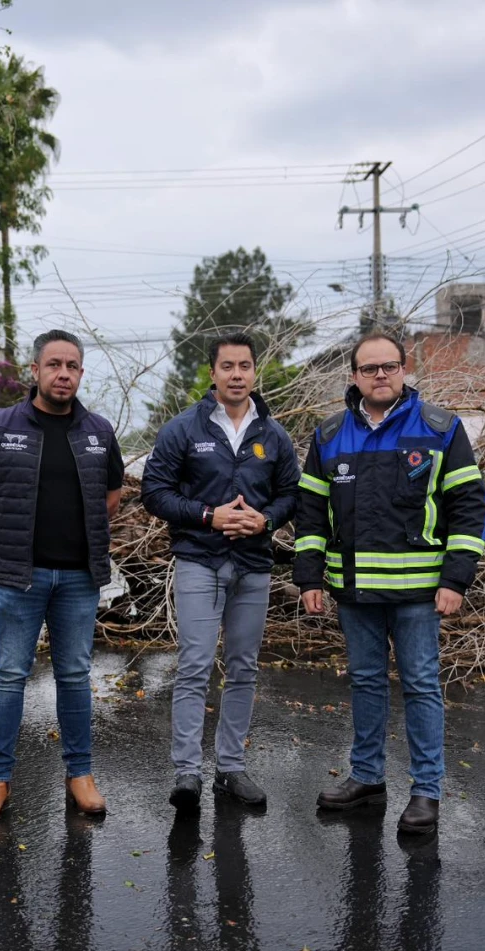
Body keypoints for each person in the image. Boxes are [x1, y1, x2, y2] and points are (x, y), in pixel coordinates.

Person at [294, 332, 485, 834]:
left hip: (420, 592)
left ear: (404, 370)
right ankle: (367, 778)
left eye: (390, 366)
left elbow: (469, 508)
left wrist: (457, 578)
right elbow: (312, 513)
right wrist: (310, 576)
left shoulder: (441, 429)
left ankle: (426, 791)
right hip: (354, 591)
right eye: (369, 368)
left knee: (422, 685)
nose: (380, 375)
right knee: (365, 683)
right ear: (354, 376)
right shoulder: (330, 433)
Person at [0, 330, 124, 824]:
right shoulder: (0, 425)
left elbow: (111, 498)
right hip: (18, 577)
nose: (63, 373)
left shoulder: (98, 431)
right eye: (54, 364)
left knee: (74, 675)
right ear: (34, 370)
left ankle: (80, 775)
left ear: (80, 373)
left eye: (72, 365)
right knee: (9, 675)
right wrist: (5, 544)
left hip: (78, 577)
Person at [142, 331, 299, 811]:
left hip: (254, 566)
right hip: (199, 562)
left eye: (245, 366)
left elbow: (293, 493)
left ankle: (230, 769)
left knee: (244, 668)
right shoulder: (183, 429)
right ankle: (187, 772)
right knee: (193, 667)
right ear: (212, 373)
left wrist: (266, 518)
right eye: (227, 366)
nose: (237, 374)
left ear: (255, 372)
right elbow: (155, 492)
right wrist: (209, 515)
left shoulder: (273, 435)